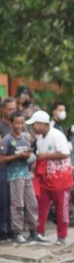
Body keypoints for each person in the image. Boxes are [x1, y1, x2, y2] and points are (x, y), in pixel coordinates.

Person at [27, 110, 74, 245]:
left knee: (61, 209)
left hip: (61, 179)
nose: (33, 127)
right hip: (45, 179)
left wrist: (46, 156)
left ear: (42, 124)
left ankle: (62, 237)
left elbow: (65, 153)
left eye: (34, 124)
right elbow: (40, 155)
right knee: (41, 207)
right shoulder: (39, 137)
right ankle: (39, 233)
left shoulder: (57, 135)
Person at [0, 112, 43, 244]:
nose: (19, 125)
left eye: (22, 123)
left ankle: (33, 232)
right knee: (17, 204)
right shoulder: (6, 139)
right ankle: (16, 233)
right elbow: (1, 158)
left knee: (32, 203)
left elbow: (31, 154)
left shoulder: (26, 137)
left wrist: (31, 159)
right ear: (12, 123)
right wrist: (18, 156)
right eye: (17, 123)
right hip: (14, 176)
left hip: (26, 174)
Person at [0, 97, 17, 241]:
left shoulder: (18, 124)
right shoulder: (1, 126)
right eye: (9, 109)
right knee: (4, 200)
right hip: (3, 168)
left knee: (15, 200)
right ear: (3, 109)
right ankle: (3, 229)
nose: (12, 111)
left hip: (17, 168)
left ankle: (13, 228)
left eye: (14, 109)